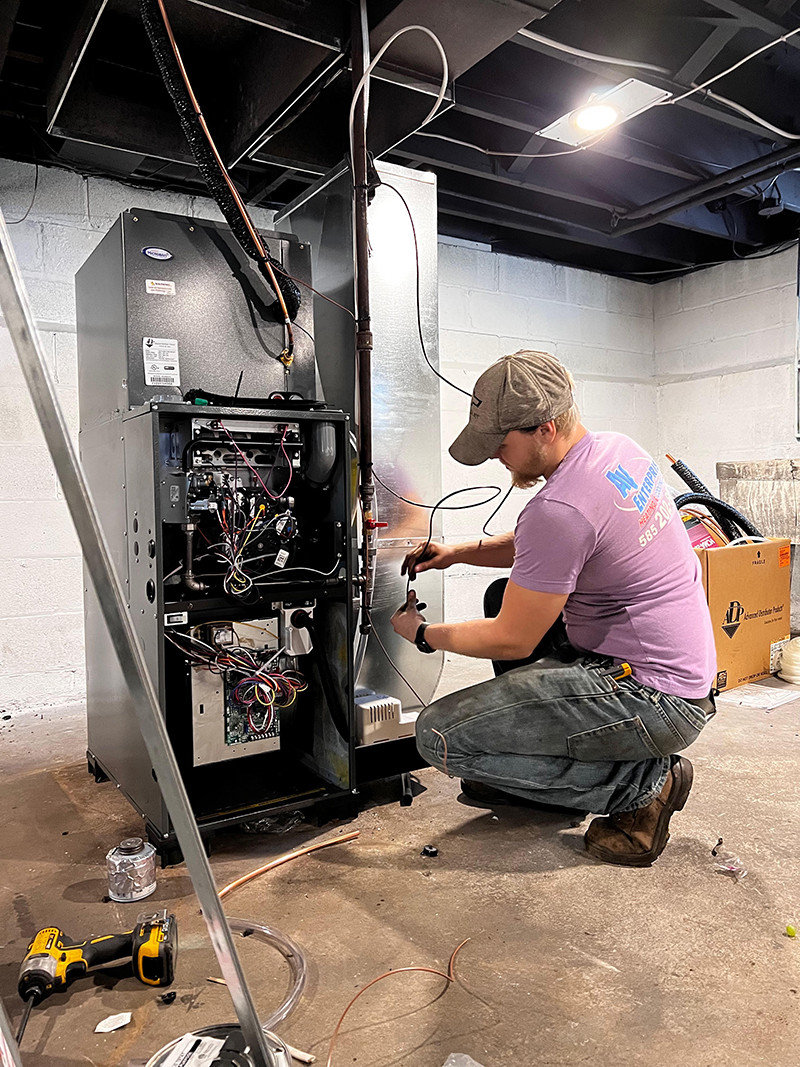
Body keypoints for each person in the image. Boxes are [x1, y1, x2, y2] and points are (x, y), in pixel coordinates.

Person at [390, 350, 717, 868]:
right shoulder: (617, 450)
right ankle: (542, 770)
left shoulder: (560, 508)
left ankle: (644, 784)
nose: (495, 456)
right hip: (684, 675)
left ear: (544, 428)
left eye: (501, 444)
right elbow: (548, 546)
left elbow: (511, 639)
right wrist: (457, 553)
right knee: (503, 593)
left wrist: (423, 633)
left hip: (651, 698)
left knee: (439, 737)